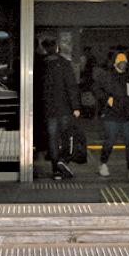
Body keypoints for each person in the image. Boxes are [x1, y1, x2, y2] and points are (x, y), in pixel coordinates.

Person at [38, 37, 80, 179]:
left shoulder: (41, 65)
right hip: (64, 108)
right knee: (67, 136)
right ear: (56, 48)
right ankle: (63, 160)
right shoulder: (64, 64)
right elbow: (71, 86)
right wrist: (76, 107)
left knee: (53, 139)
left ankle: (56, 169)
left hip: (48, 109)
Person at [96, 51, 129, 178]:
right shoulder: (107, 76)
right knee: (110, 141)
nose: (123, 64)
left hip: (128, 116)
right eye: (120, 62)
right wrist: (106, 99)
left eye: (125, 62)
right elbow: (95, 88)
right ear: (115, 63)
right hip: (112, 115)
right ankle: (103, 163)